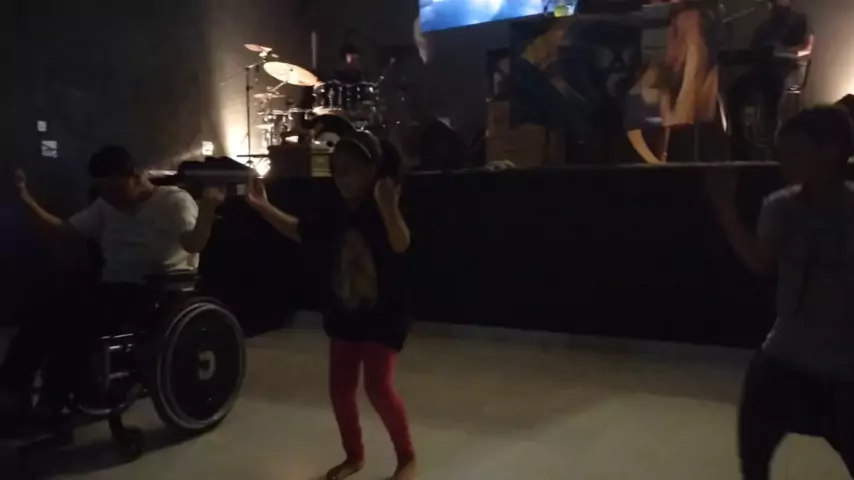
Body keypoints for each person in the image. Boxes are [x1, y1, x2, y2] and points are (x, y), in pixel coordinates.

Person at [0, 146, 225, 436]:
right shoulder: (106, 204)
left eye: (116, 191)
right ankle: (12, 394)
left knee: (74, 322)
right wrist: (26, 199)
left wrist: (208, 209)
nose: (111, 198)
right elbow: (64, 230)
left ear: (136, 176)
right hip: (113, 285)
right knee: (43, 311)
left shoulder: (173, 201)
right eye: (103, 191)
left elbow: (194, 244)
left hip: (155, 290)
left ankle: (52, 403)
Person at [245, 131, 416, 480]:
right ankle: (354, 456)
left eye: (349, 169)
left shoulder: (385, 201)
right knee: (340, 390)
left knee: (378, 387)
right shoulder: (333, 209)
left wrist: (388, 207)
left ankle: (407, 458)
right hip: (343, 312)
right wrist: (263, 207)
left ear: (373, 170)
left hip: (384, 314)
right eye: (336, 170)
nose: (341, 178)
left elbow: (401, 244)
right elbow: (300, 231)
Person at [705, 105, 854, 480]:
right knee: (753, 459)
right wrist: (726, 209)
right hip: (783, 356)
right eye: (781, 154)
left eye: (794, 154)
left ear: (831, 153)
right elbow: (761, 263)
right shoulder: (780, 206)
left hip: (844, 369)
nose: (784, 164)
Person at [728, 0, 814, 160]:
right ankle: (741, 142)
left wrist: (783, 52)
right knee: (735, 91)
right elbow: (755, 50)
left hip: (786, 69)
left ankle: (773, 145)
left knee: (773, 88)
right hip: (762, 71)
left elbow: (807, 48)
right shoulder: (765, 25)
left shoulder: (800, 19)